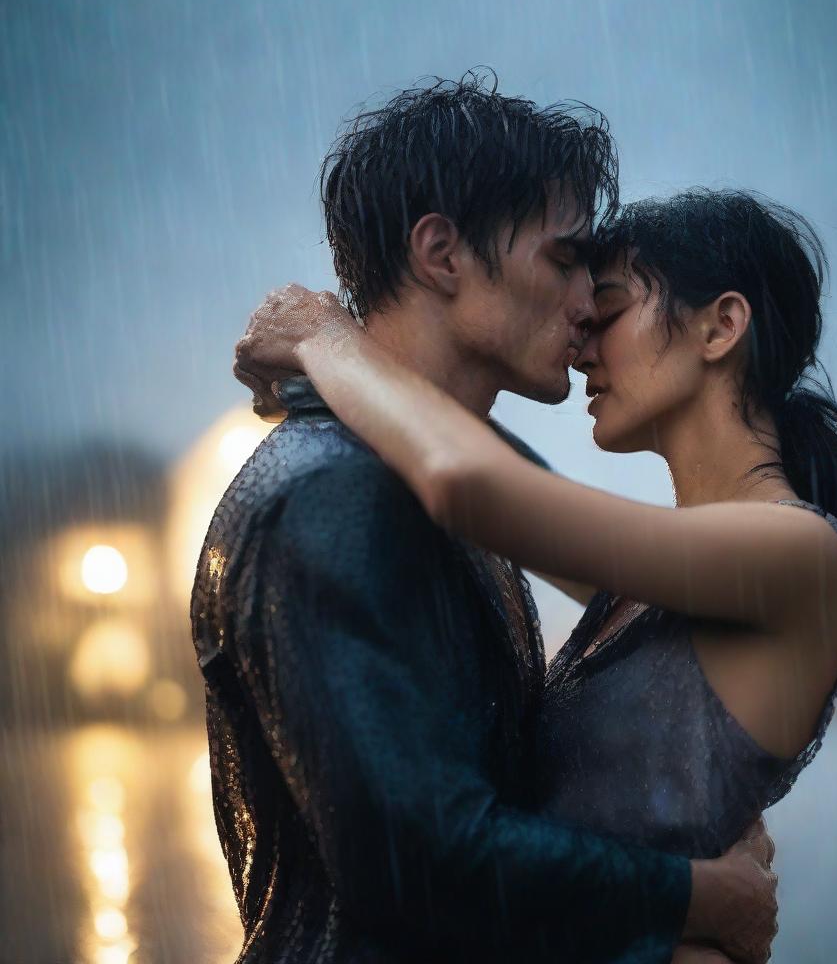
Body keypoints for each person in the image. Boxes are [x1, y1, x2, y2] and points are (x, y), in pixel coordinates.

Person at [196, 73, 778, 964]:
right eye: (564, 259)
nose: (589, 303)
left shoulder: (449, 495)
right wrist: (696, 895)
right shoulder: (330, 495)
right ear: (442, 254)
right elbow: (418, 861)